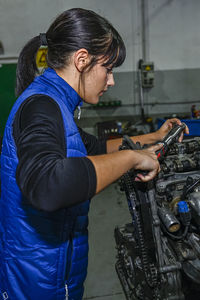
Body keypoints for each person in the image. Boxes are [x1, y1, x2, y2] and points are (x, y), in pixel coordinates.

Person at [0, 8, 189, 300]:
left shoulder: (56, 102)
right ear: (82, 60)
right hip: (36, 281)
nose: (111, 80)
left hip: (55, 272)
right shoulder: (42, 106)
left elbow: (96, 149)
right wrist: (132, 158)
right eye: (108, 69)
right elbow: (46, 185)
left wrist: (154, 137)